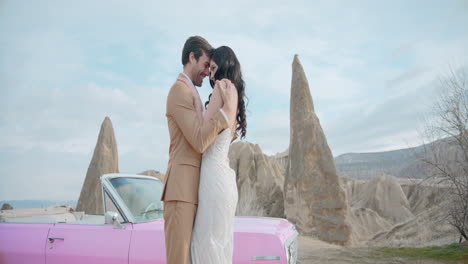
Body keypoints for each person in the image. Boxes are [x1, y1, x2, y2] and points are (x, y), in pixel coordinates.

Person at [161, 36, 237, 264]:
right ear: (191, 57)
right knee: (180, 260)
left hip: (198, 190)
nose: (207, 72)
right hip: (181, 190)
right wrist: (225, 115)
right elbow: (198, 140)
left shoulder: (193, 93)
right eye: (205, 65)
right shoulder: (179, 91)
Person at [191, 46, 247, 264]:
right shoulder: (234, 93)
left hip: (213, 178)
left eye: (214, 68)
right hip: (224, 181)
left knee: (205, 246)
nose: (211, 75)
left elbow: (203, 136)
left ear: (224, 66)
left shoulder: (221, 88)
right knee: (218, 247)